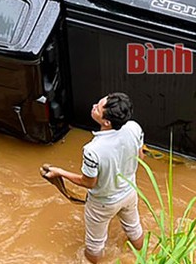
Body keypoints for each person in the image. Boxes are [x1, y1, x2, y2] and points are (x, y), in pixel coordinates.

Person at [43, 92, 145, 263]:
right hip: (129, 192)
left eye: (97, 108)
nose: (93, 107)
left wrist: (59, 172)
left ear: (107, 122)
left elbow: (88, 183)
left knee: (95, 245)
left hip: (103, 203)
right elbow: (140, 157)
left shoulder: (93, 150)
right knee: (134, 228)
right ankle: (143, 258)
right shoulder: (134, 128)